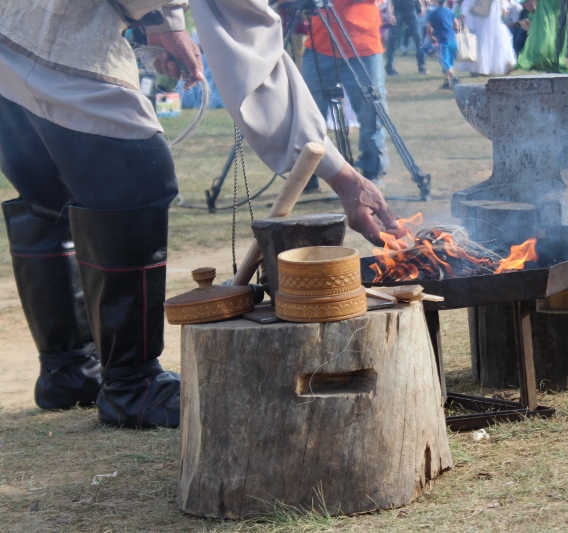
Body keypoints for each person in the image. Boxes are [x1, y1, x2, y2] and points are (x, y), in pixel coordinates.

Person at [0, 0, 400, 428]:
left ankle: (68, 370)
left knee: (49, 192)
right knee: (138, 176)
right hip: (59, 39)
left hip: (15, 29)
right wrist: (343, 177)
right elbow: (248, 45)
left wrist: (162, 22)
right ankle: (132, 386)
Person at [300, 0, 390, 188]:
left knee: (371, 112)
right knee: (308, 114)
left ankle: (372, 171)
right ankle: (306, 173)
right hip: (319, 45)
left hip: (363, 45)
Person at [457, 0, 517, 75]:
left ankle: (506, 63)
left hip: (492, 12)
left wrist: (503, 6)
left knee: (496, 37)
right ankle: (481, 67)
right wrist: (464, 12)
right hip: (481, 15)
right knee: (484, 39)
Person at [515, 0, 568, 73]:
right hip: (545, 4)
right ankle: (544, 57)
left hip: (558, 5)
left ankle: (552, 57)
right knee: (545, 30)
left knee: (558, 30)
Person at [386, 0, 428, 74]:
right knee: (393, 39)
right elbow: (390, 1)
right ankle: (389, 66)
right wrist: (390, 13)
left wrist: (421, 6)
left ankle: (422, 66)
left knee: (419, 39)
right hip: (398, 10)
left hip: (410, 10)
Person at [427, 0, 461, 88]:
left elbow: (428, 28)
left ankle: (453, 77)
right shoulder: (450, 11)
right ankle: (446, 83)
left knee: (444, 61)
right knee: (449, 62)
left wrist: (431, 37)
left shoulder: (433, 13)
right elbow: (457, 25)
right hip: (452, 40)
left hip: (443, 41)